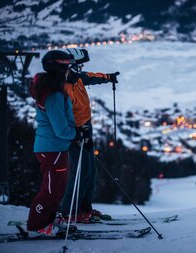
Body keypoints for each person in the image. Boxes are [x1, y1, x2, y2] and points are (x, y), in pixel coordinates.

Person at [27, 50, 90, 236]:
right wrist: (76, 134)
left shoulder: (53, 89)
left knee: (57, 188)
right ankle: (36, 224)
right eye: (67, 67)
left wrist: (77, 132)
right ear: (59, 69)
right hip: (52, 148)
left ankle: (48, 219)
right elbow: (61, 129)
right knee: (51, 191)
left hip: (55, 148)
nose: (70, 70)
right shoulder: (53, 94)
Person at [60, 48, 119, 223]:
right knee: (80, 172)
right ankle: (71, 212)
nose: (82, 68)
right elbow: (62, 116)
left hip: (86, 129)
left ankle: (84, 209)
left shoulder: (77, 78)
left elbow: (92, 76)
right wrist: (77, 134)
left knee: (90, 171)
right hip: (75, 133)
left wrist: (108, 77)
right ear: (70, 65)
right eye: (80, 65)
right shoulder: (63, 87)